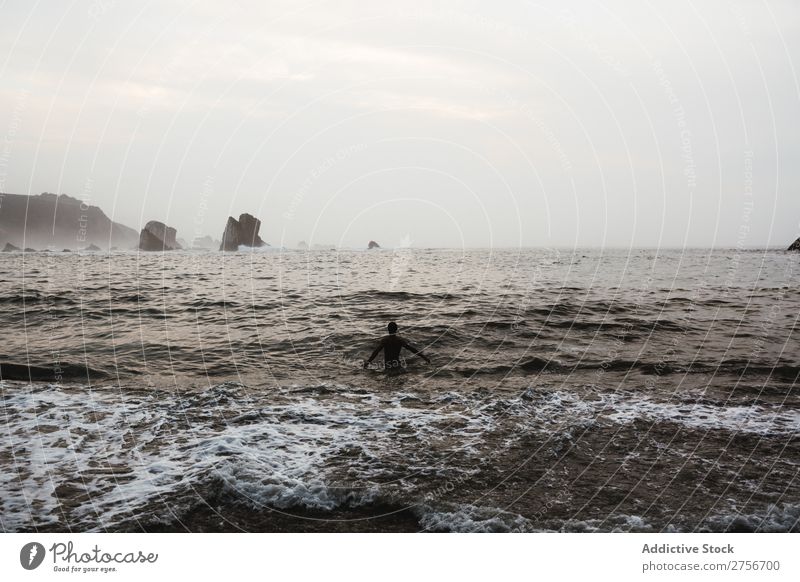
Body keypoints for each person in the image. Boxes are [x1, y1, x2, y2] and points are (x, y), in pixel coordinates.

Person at [363, 321, 431, 370]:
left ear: (388, 330)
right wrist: (424, 357)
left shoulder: (385, 340)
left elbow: (376, 352)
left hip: (388, 365)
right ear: (396, 330)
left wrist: (368, 362)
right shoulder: (400, 340)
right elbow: (412, 349)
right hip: (397, 364)